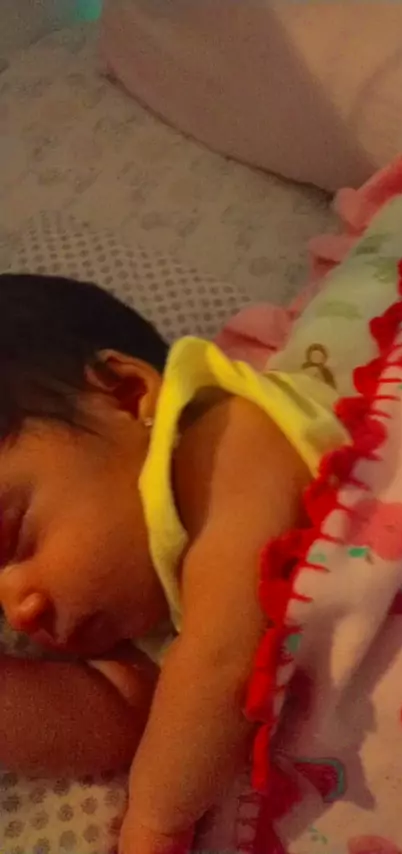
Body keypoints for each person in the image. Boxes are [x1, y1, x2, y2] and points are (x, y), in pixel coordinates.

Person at [0, 273, 346, 854]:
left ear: (125, 394)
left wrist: (155, 823)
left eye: (13, 539)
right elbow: (121, 722)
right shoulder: (147, 605)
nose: (17, 612)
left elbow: (221, 657)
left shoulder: (227, 435)